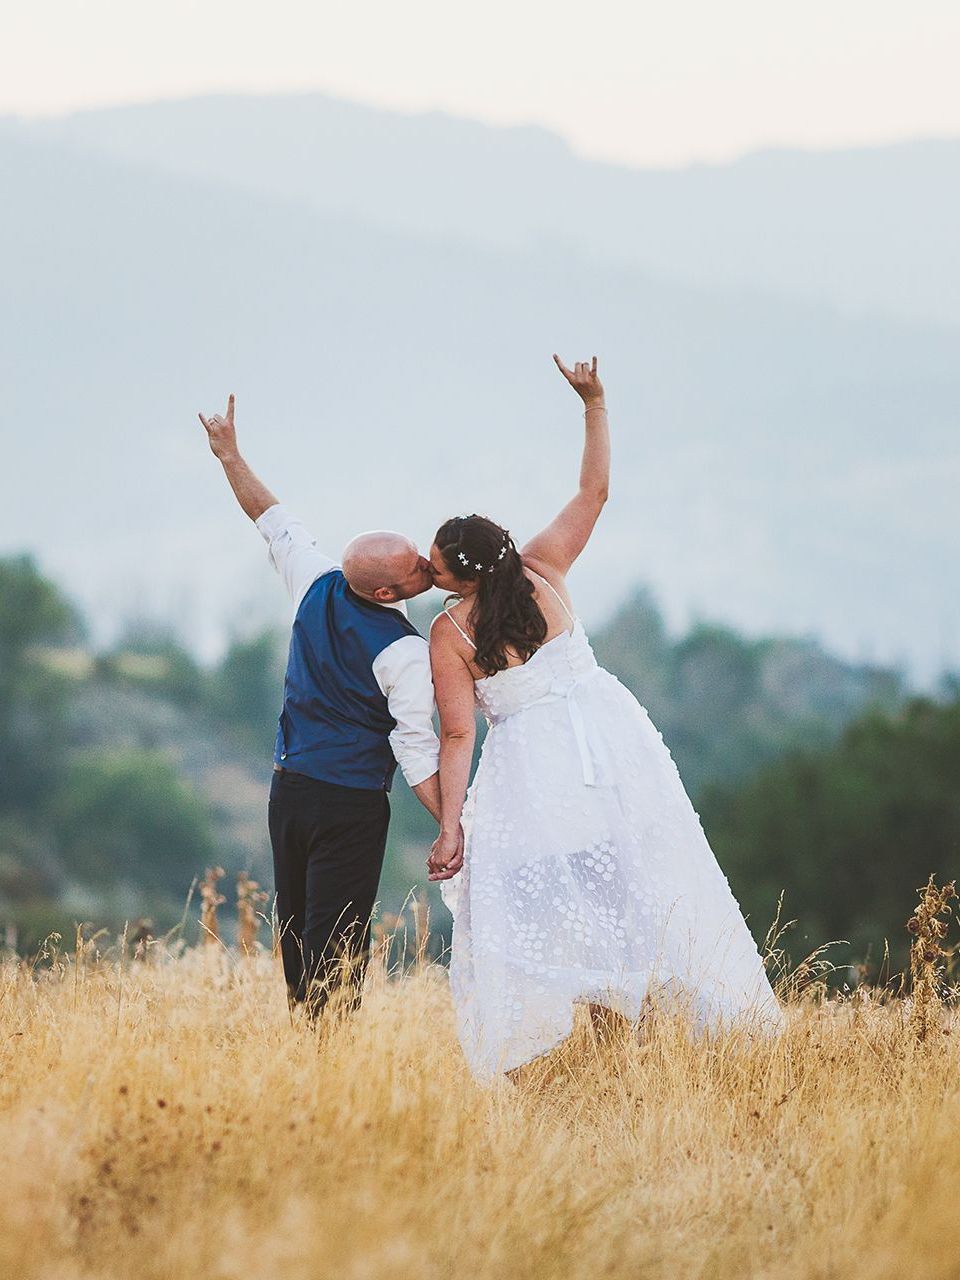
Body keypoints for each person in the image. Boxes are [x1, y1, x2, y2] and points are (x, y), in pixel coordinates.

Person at [425, 355, 785, 1080]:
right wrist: (594, 402)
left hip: (539, 772)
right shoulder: (543, 567)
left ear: (464, 575)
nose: (429, 578)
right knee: (633, 884)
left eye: (436, 570)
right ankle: (640, 1041)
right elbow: (595, 490)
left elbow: (460, 732)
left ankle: (598, 1043)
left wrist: (449, 824)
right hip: (614, 748)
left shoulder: (451, 633)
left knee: (555, 905)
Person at [199, 395, 452, 1016]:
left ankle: (306, 1042)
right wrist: (454, 825)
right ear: (389, 591)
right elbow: (416, 750)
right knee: (338, 937)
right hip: (350, 803)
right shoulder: (405, 653)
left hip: (288, 790)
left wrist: (229, 454)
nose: (429, 567)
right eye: (419, 567)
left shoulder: (315, 580)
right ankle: (326, 1055)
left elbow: (272, 517)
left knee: (295, 929)